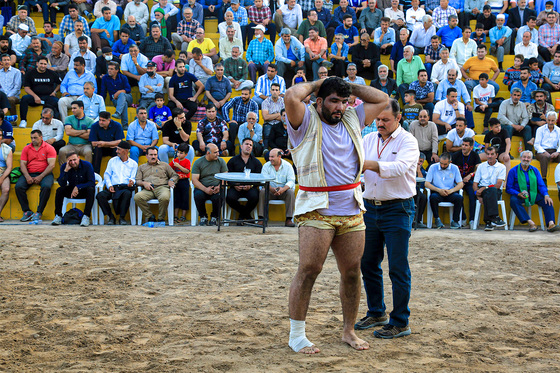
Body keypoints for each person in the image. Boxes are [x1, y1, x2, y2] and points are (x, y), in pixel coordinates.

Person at [284, 76, 388, 353]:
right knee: (309, 270)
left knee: (353, 272)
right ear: (319, 101)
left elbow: (382, 99)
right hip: (316, 206)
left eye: (344, 101)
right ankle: (297, 335)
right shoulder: (304, 120)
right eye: (334, 101)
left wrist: (346, 87)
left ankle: (349, 331)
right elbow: (292, 96)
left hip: (352, 206)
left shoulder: (353, 117)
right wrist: (322, 82)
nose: (340, 107)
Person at [356, 97, 419, 339]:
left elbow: (399, 168)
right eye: (378, 119)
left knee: (398, 267)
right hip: (370, 207)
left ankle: (401, 321)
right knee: (368, 263)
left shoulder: (408, 141)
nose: (379, 123)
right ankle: (377, 312)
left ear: (398, 118)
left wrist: (367, 164)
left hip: (398, 208)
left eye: (385, 120)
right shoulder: (369, 138)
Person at [507, 150, 560, 232]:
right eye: (524, 157)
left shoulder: (535, 170)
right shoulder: (513, 171)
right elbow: (508, 188)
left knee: (547, 201)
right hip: (520, 194)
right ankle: (531, 223)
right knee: (513, 200)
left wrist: (546, 195)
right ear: (521, 158)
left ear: (531, 160)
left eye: (528, 158)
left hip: (533, 193)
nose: (526, 159)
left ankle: (550, 224)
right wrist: (518, 193)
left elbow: (541, 185)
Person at [16, 130, 56, 222]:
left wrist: (41, 176)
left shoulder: (49, 148)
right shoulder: (27, 148)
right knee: (18, 187)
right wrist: (27, 176)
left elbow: (51, 165)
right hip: (29, 172)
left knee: (46, 187)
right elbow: (22, 164)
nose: (33, 140)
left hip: (45, 173)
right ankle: (27, 211)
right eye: (31, 138)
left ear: (41, 137)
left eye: (35, 138)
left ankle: (39, 212)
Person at [96, 140, 137, 225]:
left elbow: (133, 177)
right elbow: (107, 175)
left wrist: (131, 182)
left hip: (124, 187)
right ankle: (111, 217)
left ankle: (122, 218)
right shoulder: (112, 161)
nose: (116, 151)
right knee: (100, 196)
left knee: (127, 194)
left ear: (126, 151)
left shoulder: (133, 164)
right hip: (113, 187)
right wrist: (109, 185)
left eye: (119, 149)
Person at [135, 147, 178, 224]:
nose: (153, 157)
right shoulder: (142, 167)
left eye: (155, 154)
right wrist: (144, 183)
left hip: (162, 187)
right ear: (146, 156)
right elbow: (138, 181)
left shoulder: (164, 165)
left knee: (164, 197)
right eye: (151, 155)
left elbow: (175, 175)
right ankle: (150, 216)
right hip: (148, 189)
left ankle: (161, 218)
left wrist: (171, 180)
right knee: (137, 197)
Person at [51, 152, 96, 227]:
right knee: (59, 190)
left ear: (79, 158)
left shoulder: (87, 165)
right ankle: (58, 215)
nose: (73, 162)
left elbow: (91, 182)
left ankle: (86, 216)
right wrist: (65, 171)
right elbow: (62, 184)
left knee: (91, 190)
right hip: (71, 191)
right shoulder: (64, 167)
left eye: (74, 160)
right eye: (70, 161)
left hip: (84, 190)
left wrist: (78, 187)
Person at [225, 138, 263, 222]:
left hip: (250, 188)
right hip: (235, 187)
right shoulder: (232, 161)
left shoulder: (256, 162)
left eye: (250, 145)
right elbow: (227, 176)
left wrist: (251, 185)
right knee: (229, 198)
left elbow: (259, 178)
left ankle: (242, 217)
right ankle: (247, 215)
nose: (248, 146)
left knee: (255, 197)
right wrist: (235, 185)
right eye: (246, 144)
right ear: (241, 146)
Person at [191, 143, 228, 226]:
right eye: (215, 152)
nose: (218, 154)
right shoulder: (198, 162)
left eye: (218, 152)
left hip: (217, 187)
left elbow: (225, 177)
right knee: (198, 195)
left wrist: (219, 186)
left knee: (218, 197)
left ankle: (214, 217)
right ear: (208, 153)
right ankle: (203, 217)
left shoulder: (221, 161)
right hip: (202, 187)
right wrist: (205, 189)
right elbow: (194, 180)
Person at [19, 56, 60, 128]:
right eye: (41, 64)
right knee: (24, 99)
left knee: (57, 101)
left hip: (48, 97)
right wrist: (35, 96)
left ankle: (55, 122)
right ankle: (23, 121)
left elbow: (60, 84)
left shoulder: (51, 73)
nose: (43, 66)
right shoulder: (30, 73)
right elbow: (26, 88)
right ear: (37, 63)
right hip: (34, 96)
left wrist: (54, 92)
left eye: (45, 64)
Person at [425, 152, 464, 229]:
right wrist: (439, 190)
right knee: (433, 197)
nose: (442, 166)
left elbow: (460, 184)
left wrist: (451, 191)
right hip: (437, 191)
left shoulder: (454, 168)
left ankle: (455, 221)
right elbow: (427, 183)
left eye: (445, 164)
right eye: (441, 163)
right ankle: (437, 219)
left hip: (450, 192)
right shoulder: (433, 167)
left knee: (459, 198)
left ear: (450, 162)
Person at [258, 147, 296, 226]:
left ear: (279, 157)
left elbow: (291, 181)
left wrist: (283, 189)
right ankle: (261, 218)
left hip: (283, 191)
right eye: (269, 157)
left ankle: (289, 219)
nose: (270, 159)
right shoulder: (266, 166)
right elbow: (263, 180)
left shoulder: (288, 166)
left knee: (291, 192)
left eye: (272, 157)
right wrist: (271, 189)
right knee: (263, 191)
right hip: (270, 191)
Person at [473, 146, 507, 231]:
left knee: (492, 190)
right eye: (488, 154)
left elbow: (498, 185)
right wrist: (478, 196)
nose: (490, 156)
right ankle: (494, 218)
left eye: (492, 154)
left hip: (495, 191)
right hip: (482, 192)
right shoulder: (481, 166)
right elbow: (475, 184)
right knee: (489, 192)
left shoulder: (502, 167)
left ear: (496, 155)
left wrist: (484, 188)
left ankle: (489, 221)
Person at [451, 136, 481, 227]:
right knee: (458, 196)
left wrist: (470, 175)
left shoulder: (475, 155)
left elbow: (478, 169)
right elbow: (451, 170)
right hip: (457, 181)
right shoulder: (456, 155)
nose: (463, 147)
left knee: (473, 195)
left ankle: (472, 219)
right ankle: (463, 218)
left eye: (466, 145)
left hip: (470, 181)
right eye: (463, 145)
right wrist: (459, 181)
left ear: (471, 147)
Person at [58, 57, 96, 123]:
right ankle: (65, 124)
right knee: (61, 101)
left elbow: (94, 90)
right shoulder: (70, 73)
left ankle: (84, 123)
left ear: (83, 65)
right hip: (70, 97)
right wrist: (64, 91)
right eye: (74, 65)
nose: (75, 67)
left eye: (77, 65)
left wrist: (84, 95)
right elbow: (63, 85)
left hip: (84, 98)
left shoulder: (90, 75)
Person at [58, 100, 94, 165]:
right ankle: (65, 172)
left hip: (85, 145)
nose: (72, 110)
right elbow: (68, 132)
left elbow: (88, 136)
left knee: (89, 152)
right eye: (72, 108)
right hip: (71, 145)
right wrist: (83, 131)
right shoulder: (68, 118)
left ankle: (87, 172)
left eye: (74, 108)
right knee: (62, 151)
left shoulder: (90, 121)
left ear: (81, 108)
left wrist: (74, 131)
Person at [497, 88, 532, 153]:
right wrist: (513, 125)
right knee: (509, 128)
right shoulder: (504, 103)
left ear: (520, 96)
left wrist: (522, 126)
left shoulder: (522, 105)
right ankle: (506, 152)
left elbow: (526, 117)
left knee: (527, 128)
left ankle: (528, 152)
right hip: (506, 126)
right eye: (514, 95)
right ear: (511, 95)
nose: (516, 97)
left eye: (518, 95)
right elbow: (501, 117)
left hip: (517, 127)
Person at [100, 62, 133, 129]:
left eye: (112, 69)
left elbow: (128, 89)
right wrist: (101, 102)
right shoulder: (105, 78)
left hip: (128, 97)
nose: (109, 70)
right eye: (108, 68)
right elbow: (103, 91)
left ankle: (118, 113)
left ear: (117, 70)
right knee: (124, 104)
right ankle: (125, 125)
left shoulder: (123, 77)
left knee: (122, 95)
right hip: (115, 99)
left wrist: (119, 92)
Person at [534, 111, 560, 183]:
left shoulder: (559, 130)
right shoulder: (540, 129)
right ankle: (544, 179)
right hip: (542, 151)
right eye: (549, 120)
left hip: (554, 151)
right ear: (546, 119)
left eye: (552, 120)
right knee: (544, 157)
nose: (550, 122)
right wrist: (544, 152)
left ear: (556, 120)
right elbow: (536, 145)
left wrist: (557, 152)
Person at [0, 52, 22, 117]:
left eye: (8, 60)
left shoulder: (16, 72)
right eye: (4, 60)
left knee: (10, 99)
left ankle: (13, 121)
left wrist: (7, 96)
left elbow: (17, 87)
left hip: (14, 96)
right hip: (2, 96)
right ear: (1, 62)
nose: (7, 62)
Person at [0, 131, 12, 222]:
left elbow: (9, 167)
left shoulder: (7, 149)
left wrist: (2, 178)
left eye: (0, 135)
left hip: (3, 171)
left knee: (6, 189)